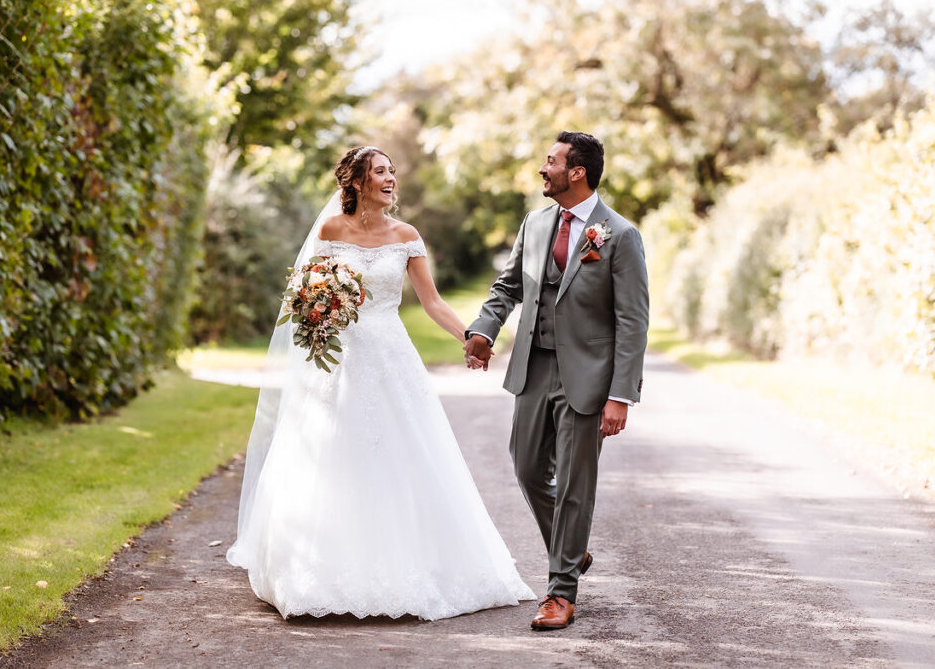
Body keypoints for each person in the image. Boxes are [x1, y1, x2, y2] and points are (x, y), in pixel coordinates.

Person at [227, 145, 535, 620]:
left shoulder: (406, 235)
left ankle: (411, 564)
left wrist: (470, 337)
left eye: (392, 171)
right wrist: (317, 315)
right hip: (338, 365)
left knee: (402, 453)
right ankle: (316, 566)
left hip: (391, 357)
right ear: (355, 182)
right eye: (380, 172)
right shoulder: (330, 232)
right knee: (332, 454)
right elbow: (305, 298)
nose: (391, 178)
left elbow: (431, 303)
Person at [465, 131, 650, 630]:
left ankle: (560, 592)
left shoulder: (620, 235)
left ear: (577, 173)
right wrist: (484, 328)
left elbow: (633, 320)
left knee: (573, 483)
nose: (541, 169)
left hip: (589, 378)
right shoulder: (536, 222)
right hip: (534, 366)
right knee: (526, 468)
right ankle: (572, 548)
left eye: (550, 162)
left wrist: (621, 395)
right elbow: (508, 286)